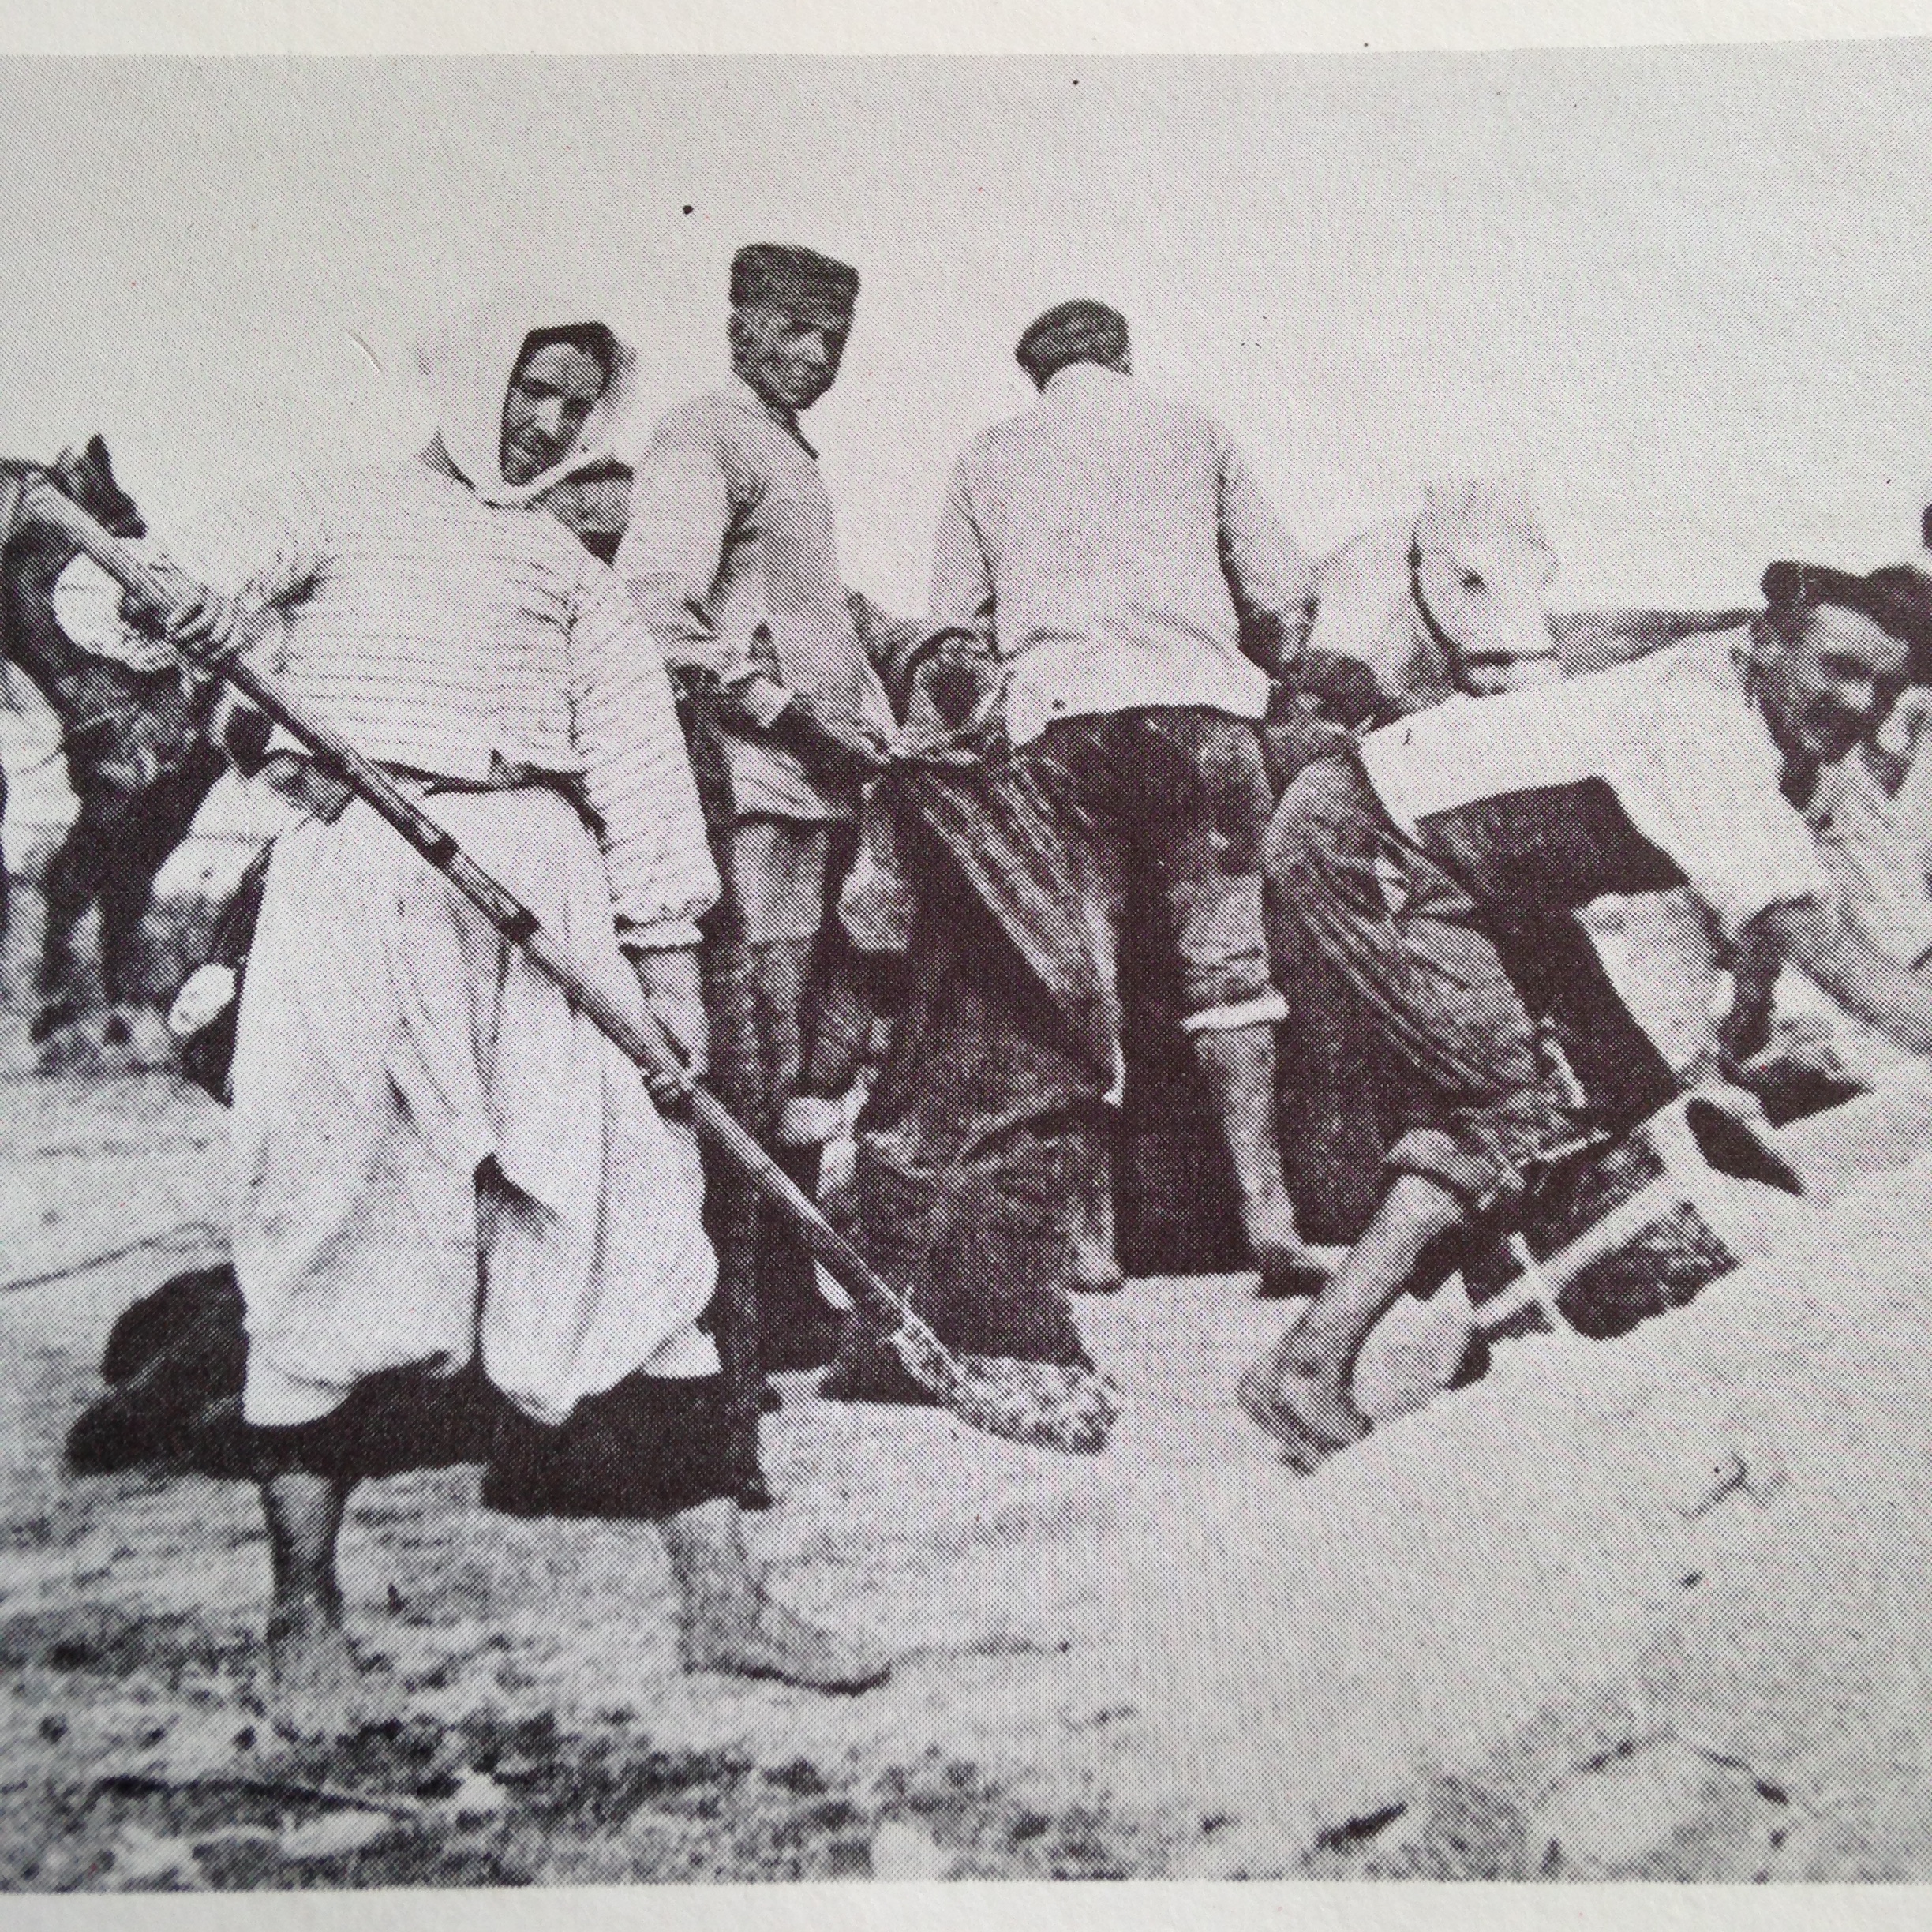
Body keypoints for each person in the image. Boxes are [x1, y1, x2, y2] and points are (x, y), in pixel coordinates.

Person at [158, 292, 888, 1723]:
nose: (546, 421)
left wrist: (667, 967)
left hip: (546, 896)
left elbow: (634, 766)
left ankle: (722, 1602)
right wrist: (172, 612)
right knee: (328, 1223)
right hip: (362, 885)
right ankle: (301, 1621)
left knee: (631, 1217)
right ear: (465, 376)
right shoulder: (335, 507)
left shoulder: (568, 567)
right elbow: (120, 599)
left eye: (572, 400)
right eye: (529, 389)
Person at [1240, 560, 1932, 1470]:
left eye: (1882, 684)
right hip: (1371, 836)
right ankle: (1306, 1366)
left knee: (1631, 1093)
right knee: (1513, 1106)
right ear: (1762, 647)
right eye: (1836, 667)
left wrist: (1746, 1015)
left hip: (1491, 882)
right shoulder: (1703, 727)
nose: (1858, 700)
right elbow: (1809, 933)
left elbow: (1791, 898)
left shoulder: (1786, 742)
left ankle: (1519, 1340)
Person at [927, 298, 1328, 1298]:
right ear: (1123, 357)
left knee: (1083, 982)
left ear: (1037, 375)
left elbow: (954, 636)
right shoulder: (1195, 428)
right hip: (1200, 717)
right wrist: (1255, 668)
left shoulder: (986, 455)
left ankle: (1091, 1244)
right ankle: (1269, 1220)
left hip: (1062, 723)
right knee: (1234, 971)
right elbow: (1282, 593)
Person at [617, 245, 893, 1387]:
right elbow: (654, 605)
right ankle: (732, 1315)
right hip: (751, 793)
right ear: (738, 325)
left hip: (819, 796)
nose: (816, 354)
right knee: (750, 1050)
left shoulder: (785, 453)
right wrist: (784, 715)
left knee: (808, 1053)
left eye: (833, 336)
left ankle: (777, 1295)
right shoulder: (703, 438)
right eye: (792, 330)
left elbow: (821, 610)